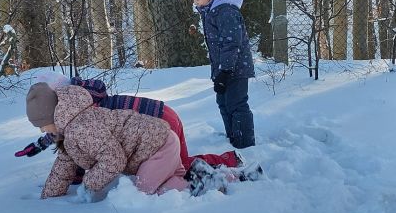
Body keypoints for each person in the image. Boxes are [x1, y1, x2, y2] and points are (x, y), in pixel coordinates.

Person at [16, 74, 241, 173]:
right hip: (163, 113)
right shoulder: (77, 108)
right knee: (179, 164)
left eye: (42, 125)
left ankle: (225, 164)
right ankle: (228, 161)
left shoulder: (85, 115)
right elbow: (59, 131)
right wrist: (40, 144)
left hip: (159, 122)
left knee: (177, 168)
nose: (44, 128)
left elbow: (88, 147)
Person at [26, 81, 188, 200]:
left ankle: (192, 186)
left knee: (141, 196)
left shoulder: (82, 127)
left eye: (42, 124)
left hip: (158, 146)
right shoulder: (69, 130)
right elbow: (63, 167)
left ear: (52, 116)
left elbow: (113, 160)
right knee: (169, 180)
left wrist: (88, 185)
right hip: (159, 142)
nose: (42, 130)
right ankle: (196, 177)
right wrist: (48, 196)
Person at [187, 0, 255, 149]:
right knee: (223, 103)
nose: (195, 3)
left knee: (236, 104)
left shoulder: (226, 11)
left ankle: (244, 144)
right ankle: (231, 138)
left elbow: (231, 43)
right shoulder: (211, 11)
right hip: (222, 68)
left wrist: (225, 71)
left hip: (235, 68)